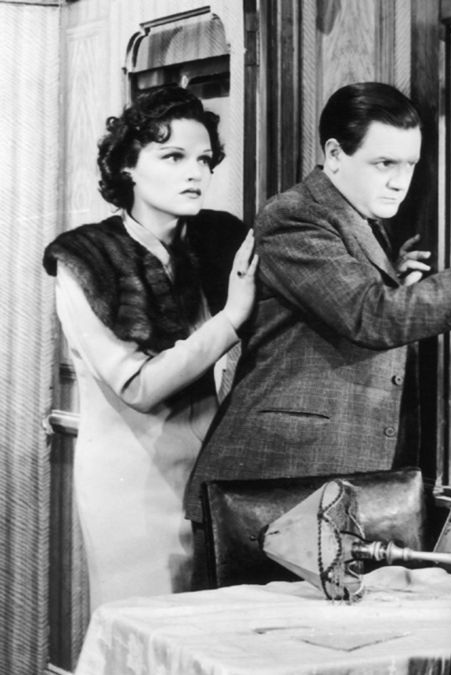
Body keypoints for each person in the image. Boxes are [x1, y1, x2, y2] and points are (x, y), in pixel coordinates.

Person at [183, 82, 451, 572]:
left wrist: (393, 280)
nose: (400, 182)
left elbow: (352, 303)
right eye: (384, 163)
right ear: (334, 155)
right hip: (271, 481)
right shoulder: (293, 216)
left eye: (410, 165)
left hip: (324, 483)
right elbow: (370, 316)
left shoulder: (356, 217)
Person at [43, 85, 256, 609]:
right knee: (145, 625)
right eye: (173, 157)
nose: (196, 173)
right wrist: (231, 319)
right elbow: (139, 386)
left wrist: (386, 280)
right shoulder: (85, 260)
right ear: (128, 168)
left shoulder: (215, 241)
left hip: (210, 477)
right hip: (131, 486)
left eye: (204, 159)